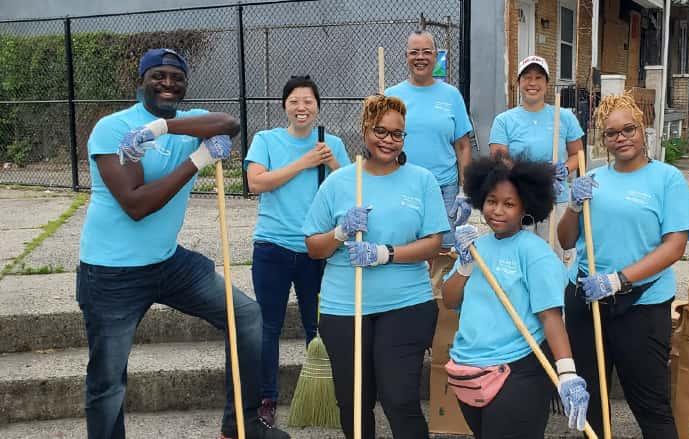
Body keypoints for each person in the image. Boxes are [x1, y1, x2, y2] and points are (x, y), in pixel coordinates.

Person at [76, 48, 289, 439]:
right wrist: (197, 160)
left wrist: (163, 128)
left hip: (166, 263)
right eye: (158, 75)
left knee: (246, 316)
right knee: (108, 380)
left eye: (176, 77)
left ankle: (240, 423)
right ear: (141, 81)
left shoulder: (186, 122)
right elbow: (136, 204)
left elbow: (229, 122)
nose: (168, 84)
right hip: (110, 273)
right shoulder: (113, 129)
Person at [302, 94, 450, 439]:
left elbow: (434, 242)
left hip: (407, 304)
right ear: (365, 130)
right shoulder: (340, 182)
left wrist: (386, 253)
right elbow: (312, 247)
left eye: (397, 134)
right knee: (354, 403)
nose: (388, 140)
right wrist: (340, 232)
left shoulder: (421, 180)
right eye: (380, 131)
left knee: (400, 400)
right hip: (345, 307)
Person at [557, 93, 689, 438]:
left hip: (640, 304)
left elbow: (674, 247)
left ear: (643, 130)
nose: (620, 138)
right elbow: (565, 240)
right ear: (602, 140)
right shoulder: (593, 179)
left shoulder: (667, 179)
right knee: (591, 404)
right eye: (611, 133)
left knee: (650, 403)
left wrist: (619, 280)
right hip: (586, 300)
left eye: (628, 129)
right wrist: (574, 206)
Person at [441, 157, 590, 438]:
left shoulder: (535, 252)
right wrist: (464, 264)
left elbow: (550, 317)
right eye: (491, 201)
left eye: (509, 204)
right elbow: (449, 300)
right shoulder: (475, 248)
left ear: (526, 208)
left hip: (517, 373)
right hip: (467, 372)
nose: (497, 211)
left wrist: (567, 373)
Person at [244, 75, 351, 425]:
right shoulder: (266, 140)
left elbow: (351, 189)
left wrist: (332, 163)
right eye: (294, 101)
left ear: (318, 106)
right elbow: (256, 182)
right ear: (284, 106)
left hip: (316, 249)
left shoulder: (330, 142)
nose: (301, 107)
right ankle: (267, 398)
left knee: (316, 326)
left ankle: (324, 393)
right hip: (272, 247)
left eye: (308, 101)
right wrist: (304, 163)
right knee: (268, 326)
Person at [385, 29, 473, 253]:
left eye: (426, 52)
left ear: (436, 56)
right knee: (407, 248)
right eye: (414, 52)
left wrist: (466, 190)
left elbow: (462, 146)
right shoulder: (391, 96)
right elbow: (381, 143)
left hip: (444, 189)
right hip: (403, 185)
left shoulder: (451, 95)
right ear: (406, 56)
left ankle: (439, 289)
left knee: (444, 251)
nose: (420, 57)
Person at [488, 55, 584, 257]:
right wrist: (536, 177)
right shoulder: (504, 121)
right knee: (516, 257)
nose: (532, 83)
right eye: (527, 77)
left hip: (555, 199)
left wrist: (564, 169)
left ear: (547, 83)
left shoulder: (563, 116)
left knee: (553, 258)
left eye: (539, 77)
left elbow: (578, 154)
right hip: (517, 200)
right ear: (519, 83)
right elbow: (500, 159)